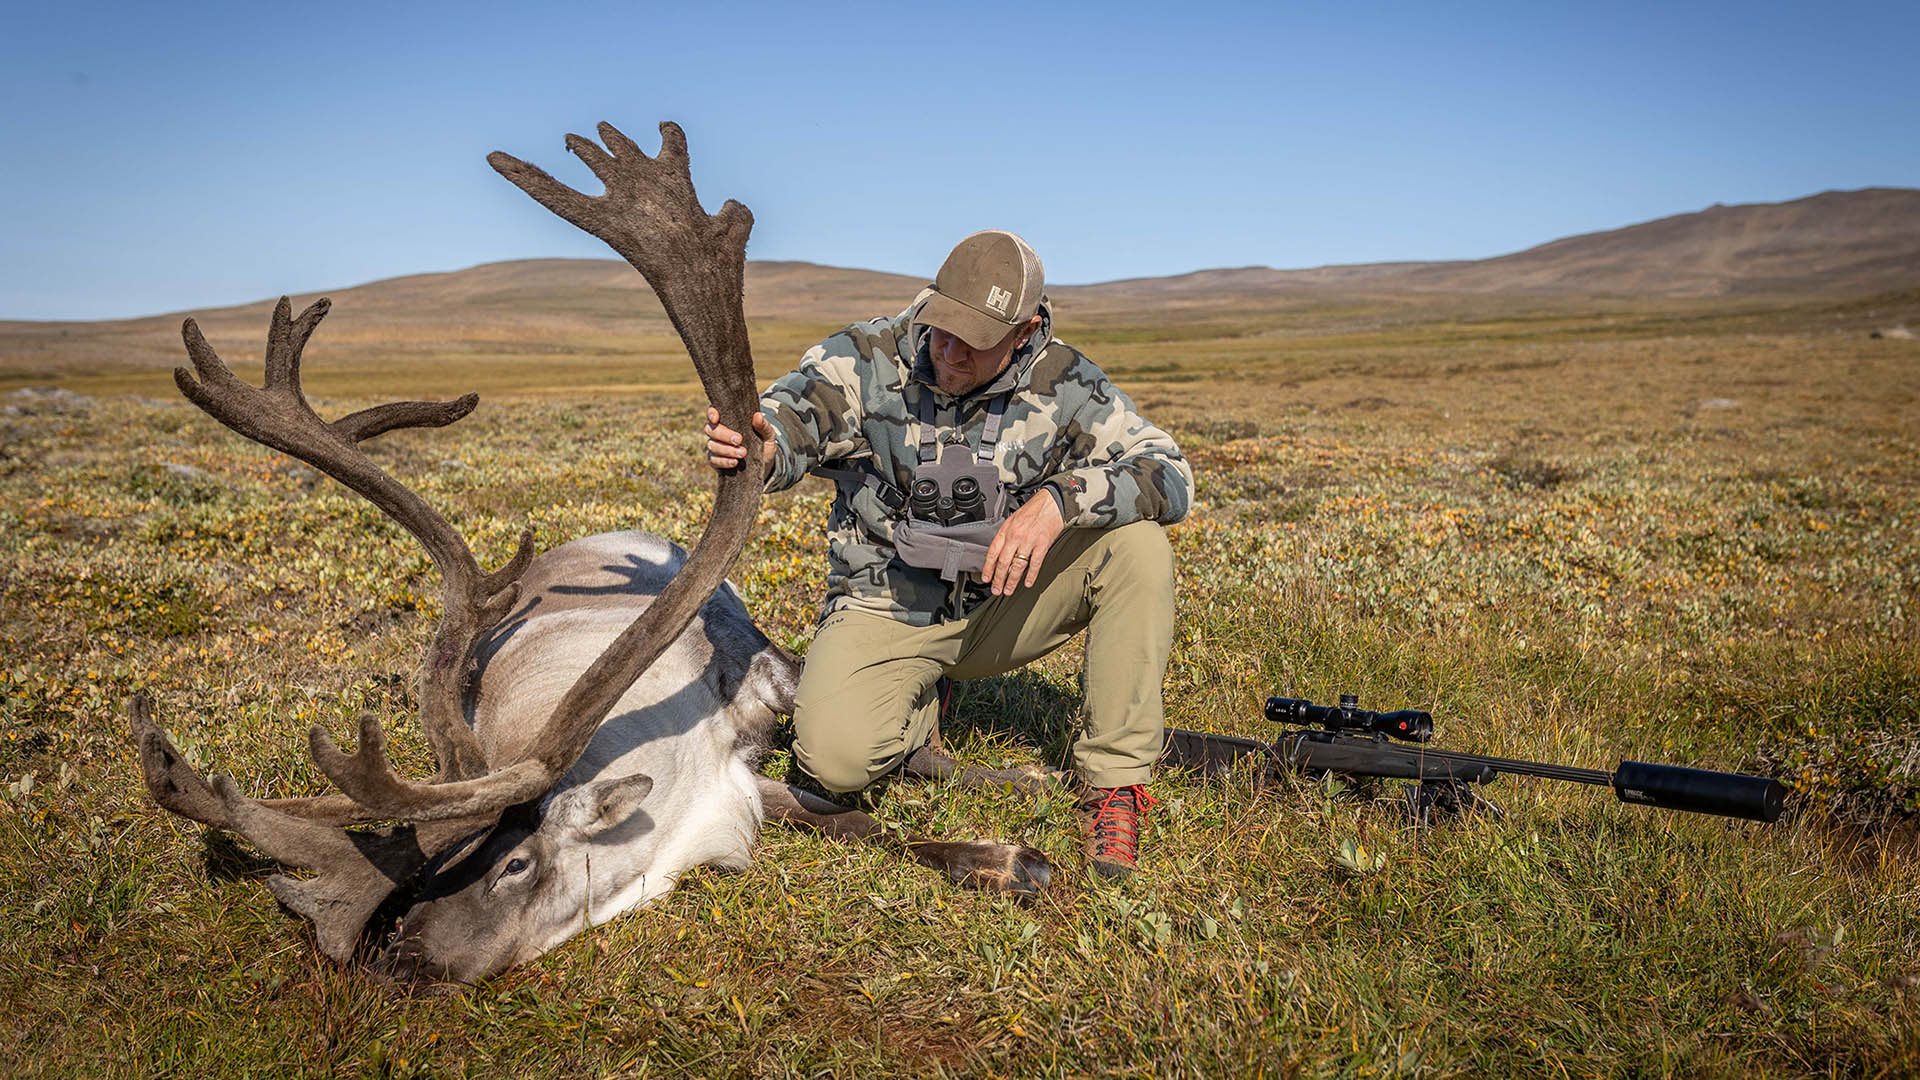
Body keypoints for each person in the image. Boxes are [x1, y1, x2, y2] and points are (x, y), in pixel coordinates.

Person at [704, 230, 1193, 877]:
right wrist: (763, 446)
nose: (953, 353)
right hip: (886, 604)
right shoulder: (869, 357)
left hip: (1004, 601)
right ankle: (920, 699)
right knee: (835, 763)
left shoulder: (1065, 383)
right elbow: (796, 418)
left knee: (1137, 547)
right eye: (943, 329)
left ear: (1025, 334)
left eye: (977, 342)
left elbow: (1169, 473)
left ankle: (1114, 785)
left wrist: (1062, 499)